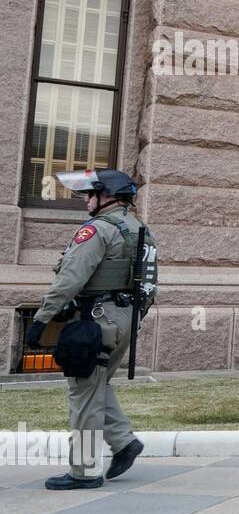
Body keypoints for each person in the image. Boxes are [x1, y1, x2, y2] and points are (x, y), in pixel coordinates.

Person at [26, 170, 152, 490]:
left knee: (83, 394)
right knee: (95, 385)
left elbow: (69, 278)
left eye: (90, 194)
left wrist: (41, 319)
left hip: (95, 319)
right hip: (124, 317)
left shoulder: (97, 230)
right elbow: (150, 286)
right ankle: (123, 442)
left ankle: (83, 471)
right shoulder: (139, 230)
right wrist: (130, 318)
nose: (86, 201)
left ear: (107, 196)